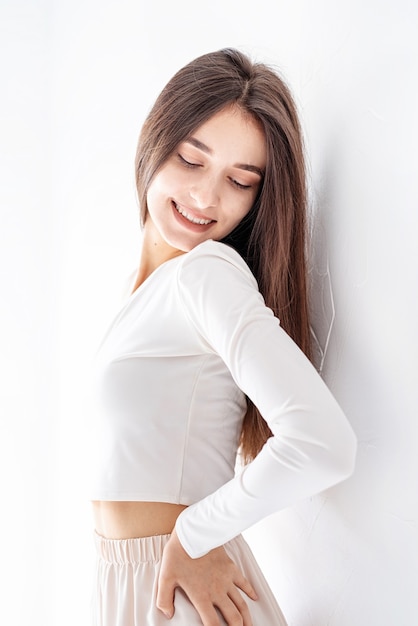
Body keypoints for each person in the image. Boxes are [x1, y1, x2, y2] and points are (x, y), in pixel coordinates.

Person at [90, 48, 357, 626]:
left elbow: (323, 441)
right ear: (155, 140)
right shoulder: (145, 294)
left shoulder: (204, 272)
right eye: (191, 160)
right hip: (134, 584)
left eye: (240, 181)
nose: (207, 199)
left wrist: (194, 534)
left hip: (184, 587)